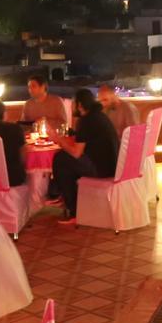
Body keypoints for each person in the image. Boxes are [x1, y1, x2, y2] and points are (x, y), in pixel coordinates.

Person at [53, 89, 119, 225]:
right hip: (112, 166)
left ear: (80, 105)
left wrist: (57, 139)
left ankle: (73, 210)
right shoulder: (99, 116)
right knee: (65, 160)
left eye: (73, 103)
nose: (72, 107)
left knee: (61, 159)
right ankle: (63, 196)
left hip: (101, 170)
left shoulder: (85, 121)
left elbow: (76, 153)